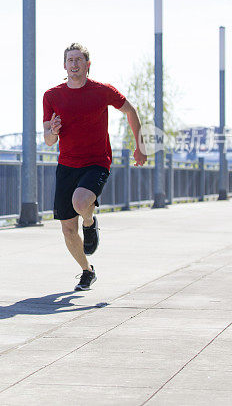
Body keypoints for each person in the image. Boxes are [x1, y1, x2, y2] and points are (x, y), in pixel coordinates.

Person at [43, 43, 147, 291]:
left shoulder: (102, 91)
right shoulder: (52, 95)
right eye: (70, 60)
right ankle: (86, 270)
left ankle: (89, 222)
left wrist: (140, 145)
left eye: (79, 60)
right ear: (64, 65)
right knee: (68, 229)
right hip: (66, 165)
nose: (74, 64)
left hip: (96, 162)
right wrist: (53, 132)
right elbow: (48, 139)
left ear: (88, 65)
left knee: (80, 203)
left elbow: (130, 111)